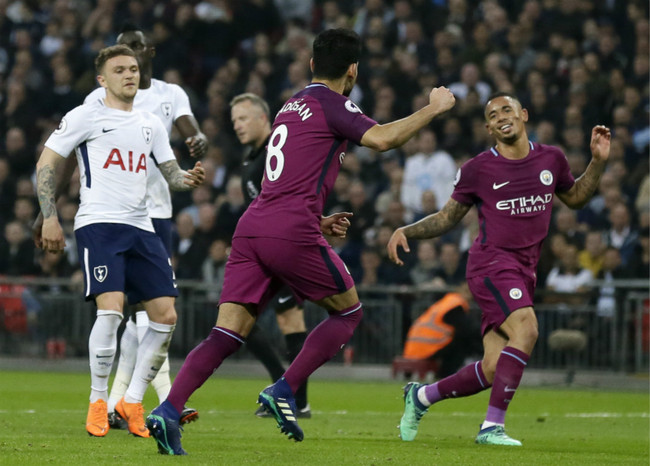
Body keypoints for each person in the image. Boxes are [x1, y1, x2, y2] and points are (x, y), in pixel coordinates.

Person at [146, 27, 455, 455]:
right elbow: (383, 139)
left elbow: (288, 176)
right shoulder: (333, 104)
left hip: (254, 227)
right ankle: (286, 389)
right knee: (348, 313)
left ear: (311, 65)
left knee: (226, 334)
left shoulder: (291, 105)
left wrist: (318, 218)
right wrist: (433, 108)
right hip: (288, 228)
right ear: (353, 71)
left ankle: (167, 410)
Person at [387, 92, 610, 446]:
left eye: (507, 109)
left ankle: (422, 397)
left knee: (493, 368)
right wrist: (407, 229)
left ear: (523, 114)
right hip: (491, 265)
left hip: (525, 270)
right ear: (489, 128)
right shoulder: (478, 169)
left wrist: (597, 162)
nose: (501, 116)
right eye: (493, 114)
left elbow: (576, 197)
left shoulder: (552, 158)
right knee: (528, 328)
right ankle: (492, 427)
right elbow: (447, 217)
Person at [34, 25, 209, 429]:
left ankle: (131, 402)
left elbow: (172, 175)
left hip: (143, 226)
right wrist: (49, 216)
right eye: (119, 70)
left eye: (133, 68)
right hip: (100, 224)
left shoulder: (150, 122)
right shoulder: (85, 115)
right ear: (102, 80)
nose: (129, 74)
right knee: (111, 311)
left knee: (166, 316)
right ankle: (98, 401)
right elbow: (47, 163)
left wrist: (190, 178)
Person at [229, 92, 314, 418]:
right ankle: (289, 392)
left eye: (244, 118)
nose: (238, 125)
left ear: (264, 119)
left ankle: (294, 397)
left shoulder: (273, 153)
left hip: (283, 246)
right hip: (265, 248)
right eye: (234, 120)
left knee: (285, 318)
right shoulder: (252, 158)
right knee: (242, 321)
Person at [402, 283, 481, 378]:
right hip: (427, 348)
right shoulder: (456, 305)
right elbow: (467, 329)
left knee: (458, 340)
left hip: (414, 348)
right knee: (461, 343)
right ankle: (446, 376)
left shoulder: (445, 303)